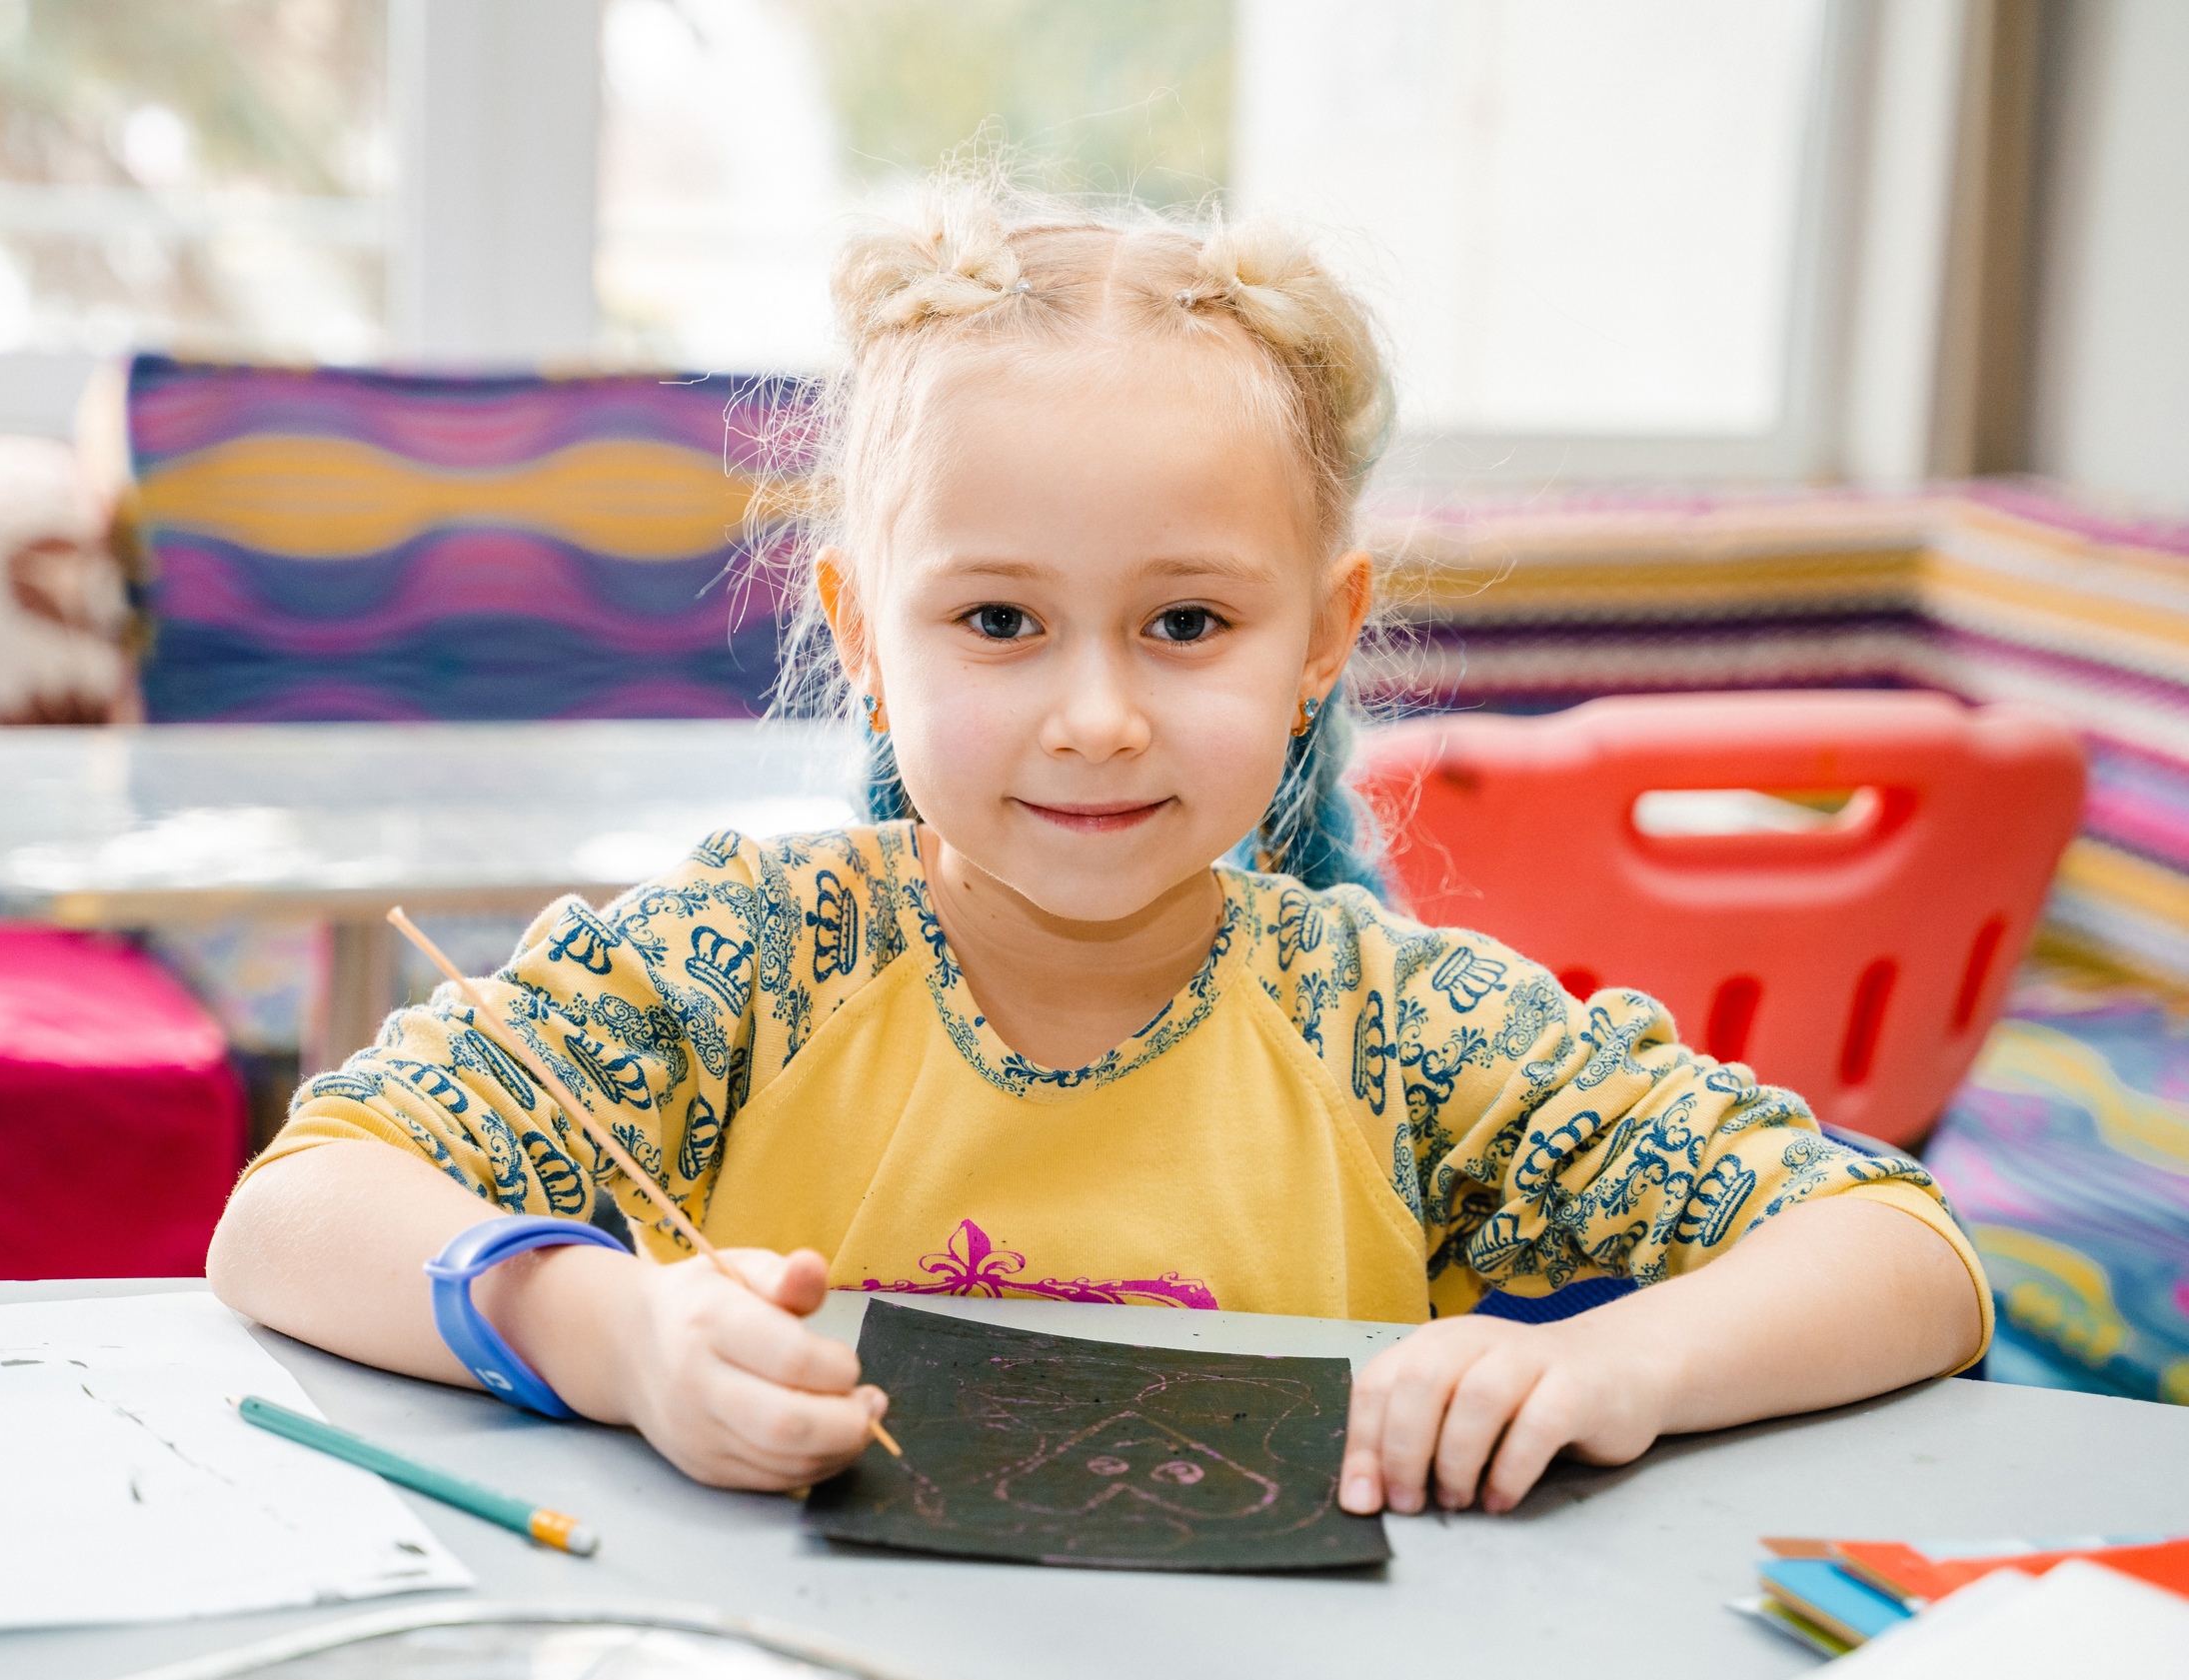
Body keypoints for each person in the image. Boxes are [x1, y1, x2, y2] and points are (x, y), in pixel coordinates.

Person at [208, 183, 1988, 1517]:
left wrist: (1615, 1362)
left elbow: (1904, 1252)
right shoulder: (747, 962)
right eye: (997, 621)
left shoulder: (1397, 1029)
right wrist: (611, 1337)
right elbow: (294, 1212)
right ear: (864, 634)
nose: (1096, 717)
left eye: (1186, 624)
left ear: (1319, 638)